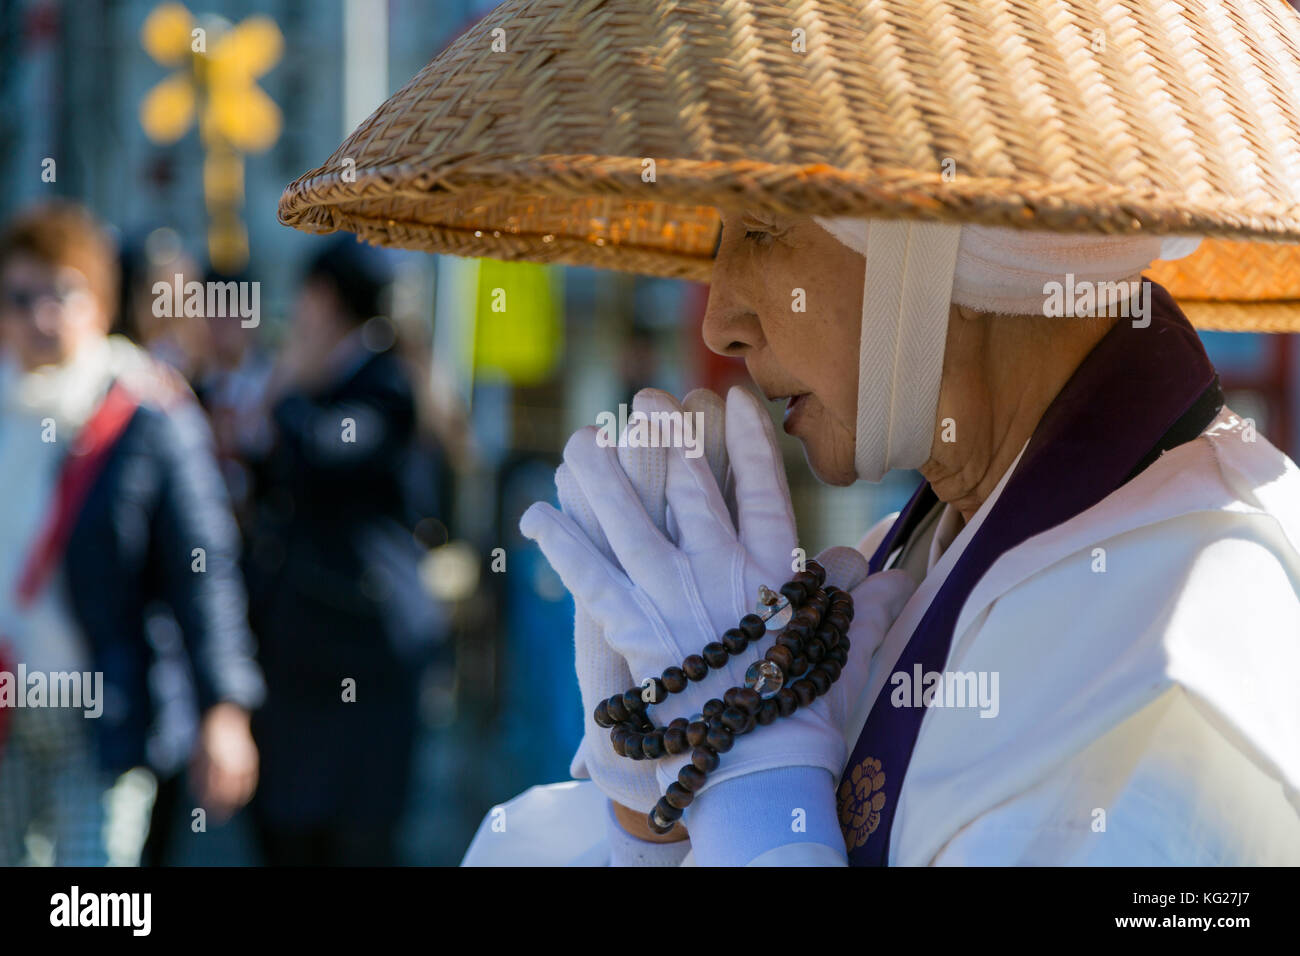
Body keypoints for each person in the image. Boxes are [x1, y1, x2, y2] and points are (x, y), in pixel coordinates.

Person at [276, 0, 1300, 865]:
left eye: (761, 226)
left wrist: (766, 803)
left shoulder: (1189, 641)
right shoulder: (960, 542)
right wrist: (657, 809)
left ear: (946, 237)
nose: (720, 314)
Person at [0, 201, 264, 866]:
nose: (40, 316)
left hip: (101, 715)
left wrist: (224, 707)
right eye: (20, 295)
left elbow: (202, 569)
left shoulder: (146, 412)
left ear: (100, 302)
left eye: (62, 292)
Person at [245, 236, 446, 866]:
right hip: (311, 652)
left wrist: (293, 393)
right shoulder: (340, 375)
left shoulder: (384, 378)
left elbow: (327, 453)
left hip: (362, 644)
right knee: (291, 825)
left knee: (352, 837)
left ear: (325, 298)